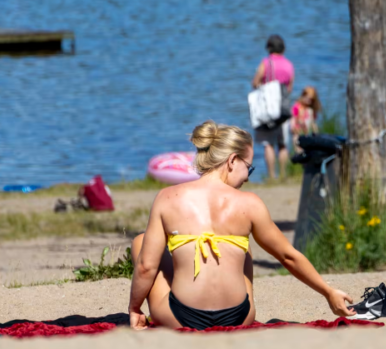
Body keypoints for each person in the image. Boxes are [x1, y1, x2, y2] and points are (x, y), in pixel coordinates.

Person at [128, 120, 353, 330]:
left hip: (182, 318)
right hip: (238, 317)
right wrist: (328, 292)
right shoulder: (250, 203)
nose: (247, 177)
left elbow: (146, 267)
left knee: (141, 242)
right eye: (249, 168)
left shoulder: (167, 197)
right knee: (242, 247)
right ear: (232, 160)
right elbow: (288, 256)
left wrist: (135, 308)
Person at [251, 35, 294, 180]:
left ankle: (271, 176)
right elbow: (289, 88)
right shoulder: (289, 65)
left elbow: (255, 82)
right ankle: (283, 175)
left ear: (269, 48)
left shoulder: (266, 63)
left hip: (268, 110)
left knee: (268, 144)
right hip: (283, 108)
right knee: (282, 145)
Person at [290, 86, 321, 153]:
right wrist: (293, 127)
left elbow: (313, 122)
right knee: (298, 151)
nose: (309, 101)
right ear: (303, 96)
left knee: (308, 151)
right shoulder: (297, 106)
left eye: (311, 100)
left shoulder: (311, 110)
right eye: (308, 98)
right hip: (298, 132)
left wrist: (316, 133)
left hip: (308, 133)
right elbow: (293, 119)